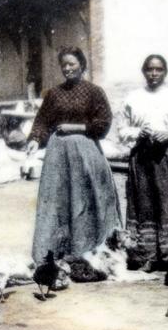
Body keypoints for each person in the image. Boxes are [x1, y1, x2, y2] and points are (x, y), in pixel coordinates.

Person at [26, 47, 121, 264]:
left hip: (86, 154)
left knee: (86, 200)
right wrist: (35, 139)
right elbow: (42, 121)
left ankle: (88, 249)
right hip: (58, 156)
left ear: (82, 65)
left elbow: (103, 123)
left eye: (72, 64)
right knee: (58, 201)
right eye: (64, 65)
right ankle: (56, 251)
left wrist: (75, 128)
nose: (68, 69)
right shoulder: (53, 94)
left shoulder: (94, 92)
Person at [117, 54, 168, 271]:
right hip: (141, 159)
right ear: (144, 71)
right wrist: (138, 132)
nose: (154, 74)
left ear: (165, 72)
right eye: (150, 69)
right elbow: (121, 130)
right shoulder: (132, 98)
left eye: (158, 69)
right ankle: (146, 256)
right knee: (144, 204)